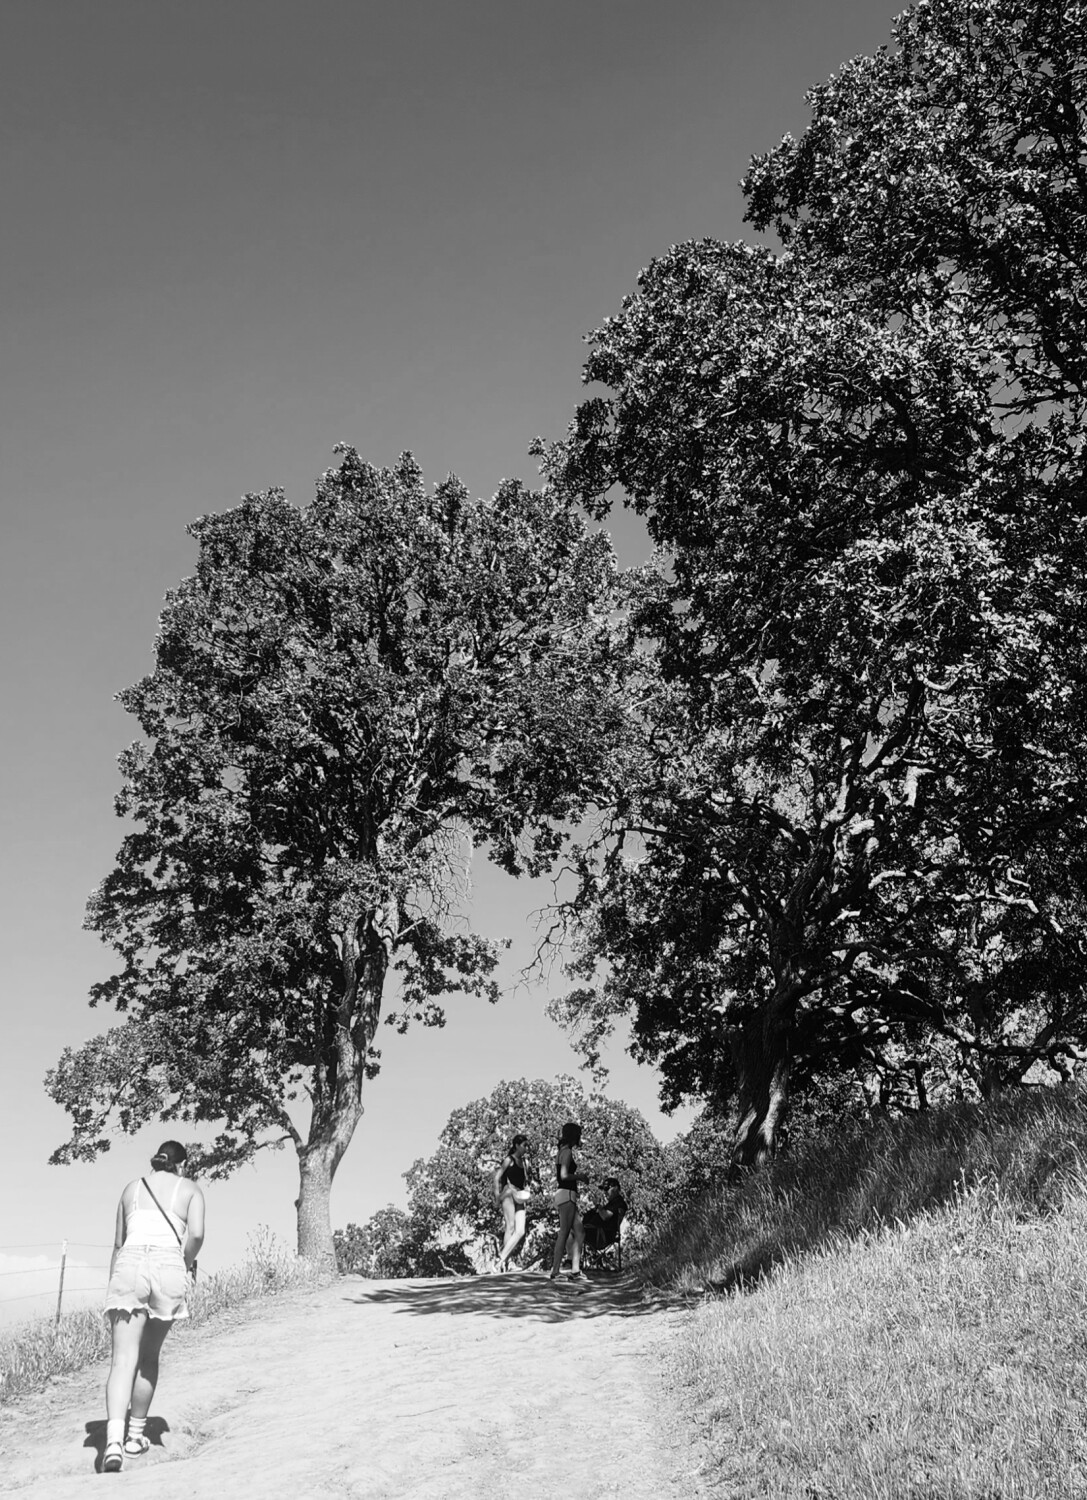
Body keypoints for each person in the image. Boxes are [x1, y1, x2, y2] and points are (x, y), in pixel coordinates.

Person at [100, 1140, 204, 1473]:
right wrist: (185, 1262)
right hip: (168, 1266)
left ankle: (112, 1442)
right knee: (148, 1357)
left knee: (122, 1360)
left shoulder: (131, 1188)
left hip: (130, 1263)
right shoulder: (190, 1189)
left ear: (157, 1161)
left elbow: (118, 1242)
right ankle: (135, 1436)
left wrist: (114, 1280)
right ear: (182, 1165)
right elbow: (197, 1234)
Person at [549, 1121, 586, 1281]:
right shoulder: (568, 1152)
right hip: (567, 1193)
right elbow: (563, 1176)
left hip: (565, 1194)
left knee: (580, 1231)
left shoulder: (561, 1151)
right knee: (564, 1232)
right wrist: (580, 1177)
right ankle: (555, 1271)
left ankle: (576, 1269)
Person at [492, 1133, 531, 1272]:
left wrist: (527, 1188)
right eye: (524, 1145)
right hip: (509, 1193)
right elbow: (497, 1177)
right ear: (517, 1146)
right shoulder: (509, 1160)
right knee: (510, 1227)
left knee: (520, 1231)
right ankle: (506, 1262)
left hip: (520, 1195)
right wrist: (497, 1197)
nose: (526, 1148)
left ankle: (502, 1258)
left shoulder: (525, 1163)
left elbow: (525, 1180)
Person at [582, 1177, 627, 1254]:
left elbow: (605, 1216)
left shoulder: (618, 1202)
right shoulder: (613, 1203)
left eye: (607, 1189)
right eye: (604, 1190)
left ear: (615, 1188)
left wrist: (598, 1206)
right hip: (596, 1232)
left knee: (570, 1232)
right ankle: (573, 1261)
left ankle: (572, 1261)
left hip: (600, 1235)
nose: (605, 1192)